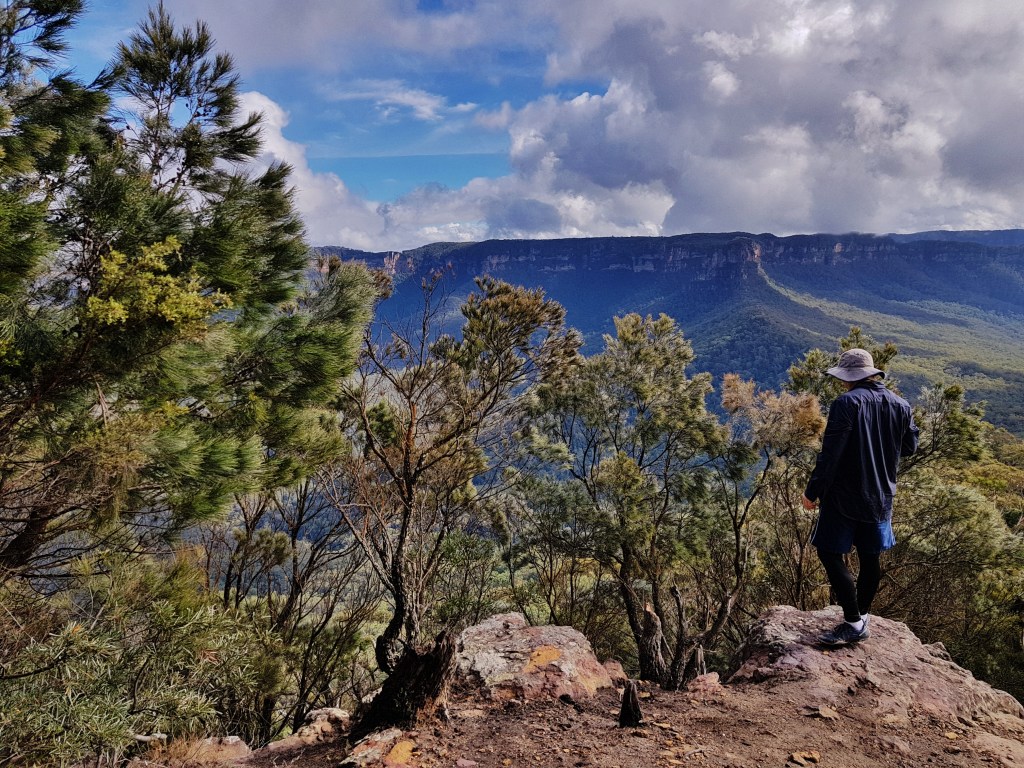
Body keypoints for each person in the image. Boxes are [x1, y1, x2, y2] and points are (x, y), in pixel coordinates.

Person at [801, 348, 919, 647]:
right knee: (870, 556)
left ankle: (854, 623)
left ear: (851, 378)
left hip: (844, 494)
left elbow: (831, 453)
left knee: (829, 552)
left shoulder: (846, 403)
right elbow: (909, 447)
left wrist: (812, 491)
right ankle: (862, 616)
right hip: (881, 494)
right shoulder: (901, 405)